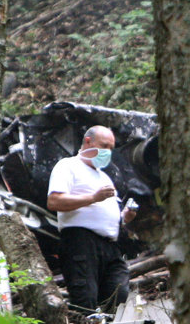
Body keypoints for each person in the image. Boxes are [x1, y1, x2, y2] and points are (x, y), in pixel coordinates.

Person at [47, 125, 135, 313]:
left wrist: (125, 217)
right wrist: (93, 198)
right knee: (84, 297)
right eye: (104, 146)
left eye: (111, 148)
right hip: (80, 240)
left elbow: (105, 213)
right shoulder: (68, 166)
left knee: (118, 293)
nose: (108, 153)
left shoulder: (104, 177)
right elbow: (54, 201)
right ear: (88, 141)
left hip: (110, 245)